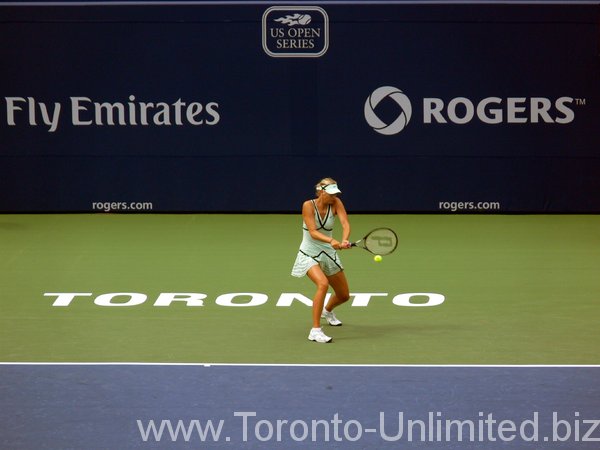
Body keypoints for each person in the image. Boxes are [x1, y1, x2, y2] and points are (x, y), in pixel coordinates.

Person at [291, 178, 352, 343]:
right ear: (321, 191)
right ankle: (315, 330)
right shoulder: (308, 205)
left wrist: (344, 239)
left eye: (335, 194)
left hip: (328, 253)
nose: (334, 196)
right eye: (331, 193)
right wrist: (332, 241)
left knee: (344, 295)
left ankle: (327, 310)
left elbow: (345, 224)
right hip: (308, 253)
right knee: (323, 284)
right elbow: (312, 232)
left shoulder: (336, 203)